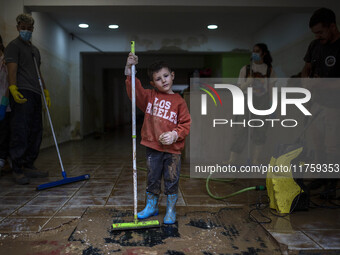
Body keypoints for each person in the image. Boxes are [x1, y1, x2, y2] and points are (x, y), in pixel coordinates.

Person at [125, 53, 191, 224]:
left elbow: (185, 124)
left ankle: (170, 209)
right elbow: (134, 91)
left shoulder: (179, 101)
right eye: (158, 79)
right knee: (152, 178)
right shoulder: (149, 97)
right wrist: (129, 70)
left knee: (171, 179)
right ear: (153, 83)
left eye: (166, 76)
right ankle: (152, 207)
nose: (163, 80)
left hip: (173, 151)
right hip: (153, 148)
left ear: (173, 75)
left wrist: (174, 134)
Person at [4, 13, 50, 184]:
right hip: (22, 92)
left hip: (35, 93)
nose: (26, 31)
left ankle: (29, 165)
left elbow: (38, 73)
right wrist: (13, 88)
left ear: (33, 29)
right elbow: (12, 70)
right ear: (18, 28)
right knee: (20, 130)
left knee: (36, 130)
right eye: (22, 28)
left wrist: (45, 91)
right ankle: (17, 167)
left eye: (29, 28)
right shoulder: (13, 46)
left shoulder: (34, 50)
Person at [301, 8, 340, 198]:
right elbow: (306, 68)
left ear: (332, 26)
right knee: (316, 144)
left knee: (332, 146)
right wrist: (306, 82)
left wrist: (319, 83)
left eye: (320, 32)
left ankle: (332, 184)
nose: (318, 36)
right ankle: (323, 177)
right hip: (317, 103)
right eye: (315, 33)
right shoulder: (315, 45)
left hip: (335, 106)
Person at [228, 43, 276, 165]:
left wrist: (272, 105)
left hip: (262, 102)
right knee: (242, 130)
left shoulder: (269, 70)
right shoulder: (246, 69)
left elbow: (271, 89)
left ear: (264, 53)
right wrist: (247, 83)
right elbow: (239, 88)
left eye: (257, 51)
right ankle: (232, 160)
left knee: (260, 130)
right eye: (253, 51)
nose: (254, 53)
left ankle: (255, 160)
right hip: (246, 101)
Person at [0, 34, 10, 175]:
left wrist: (3, 104)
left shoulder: (6, 61)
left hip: (3, 102)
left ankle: (2, 160)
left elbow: (9, 83)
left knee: (3, 133)